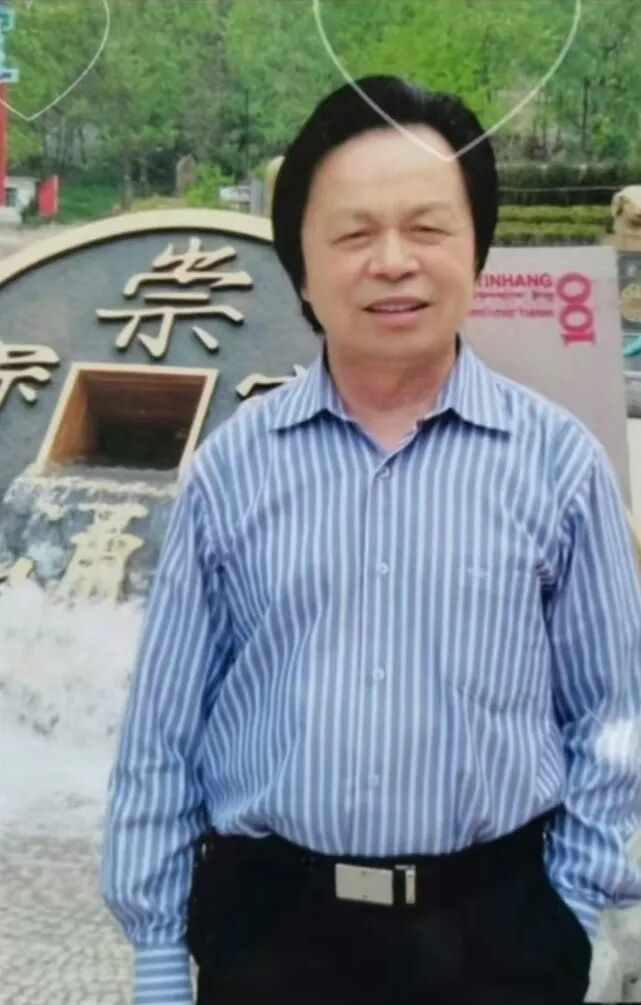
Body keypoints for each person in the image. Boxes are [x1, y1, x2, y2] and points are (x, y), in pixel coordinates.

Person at [101, 76, 641, 1005]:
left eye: (428, 228)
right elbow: (163, 728)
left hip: (497, 934)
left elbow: (613, 714)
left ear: (476, 250)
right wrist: (158, 952)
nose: (393, 262)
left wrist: (573, 901)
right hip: (274, 932)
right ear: (302, 269)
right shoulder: (233, 468)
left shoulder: (558, 465)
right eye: (353, 234)